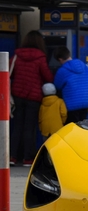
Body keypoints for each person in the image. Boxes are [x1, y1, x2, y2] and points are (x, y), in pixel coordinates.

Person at [9, 30, 54, 166]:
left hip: (17, 95)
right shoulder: (40, 57)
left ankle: (12, 156)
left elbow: (7, 71)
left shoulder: (17, 56)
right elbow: (48, 77)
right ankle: (28, 158)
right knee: (30, 127)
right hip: (33, 97)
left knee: (17, 126)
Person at [53, 46, 88, 124]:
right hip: (85, 103)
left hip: (71, 105)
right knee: (82, 127)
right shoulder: (84, 66)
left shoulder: (62, 71)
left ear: (60, 59)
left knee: (72, 128)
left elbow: (57, 86)